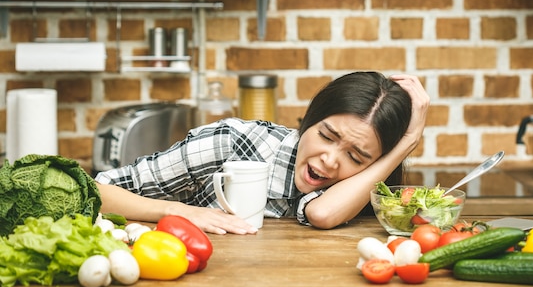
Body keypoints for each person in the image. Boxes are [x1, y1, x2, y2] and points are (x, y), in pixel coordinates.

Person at [96, 71, 430, 235]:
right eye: (326, 136)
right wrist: (178, 210)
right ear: (309, 120)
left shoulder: (353, 186)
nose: (330, 160)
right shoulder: (232, 141)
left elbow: (323, 214)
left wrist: (406, 144)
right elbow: (97, 190)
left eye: (356, 157)